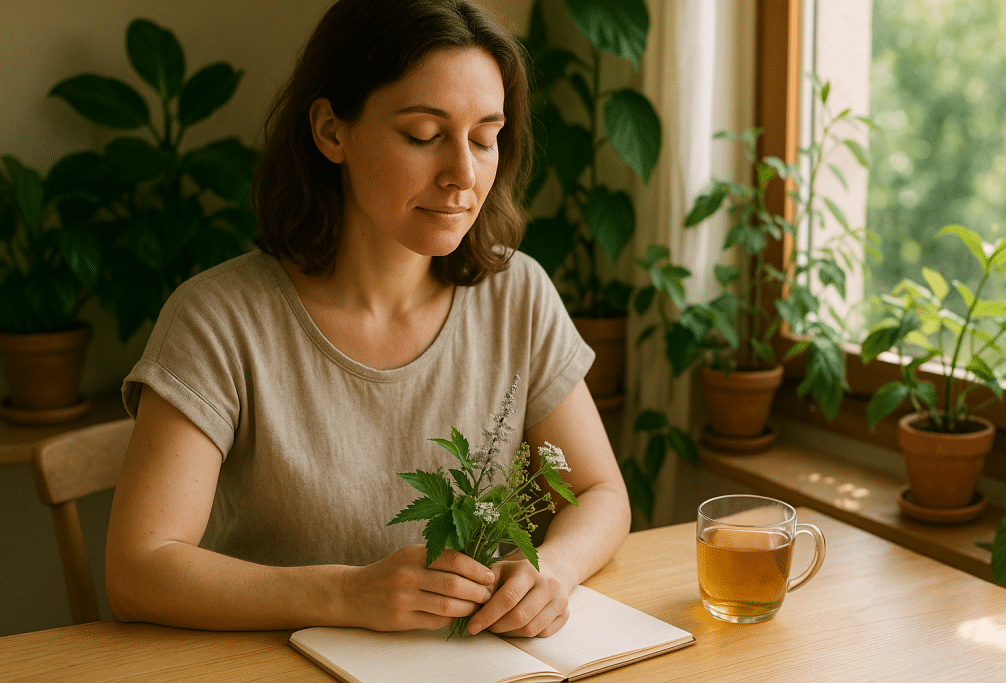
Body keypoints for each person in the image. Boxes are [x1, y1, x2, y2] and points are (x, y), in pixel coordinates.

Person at [105, 0, 630, 638]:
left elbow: (602, 493)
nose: (463, 174)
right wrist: (346, 594)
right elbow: (138, 570)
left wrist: (552, 568)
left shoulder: (517, 293)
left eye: (485, 138)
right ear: (331, 131)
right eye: (424, 135)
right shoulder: (217, 320)